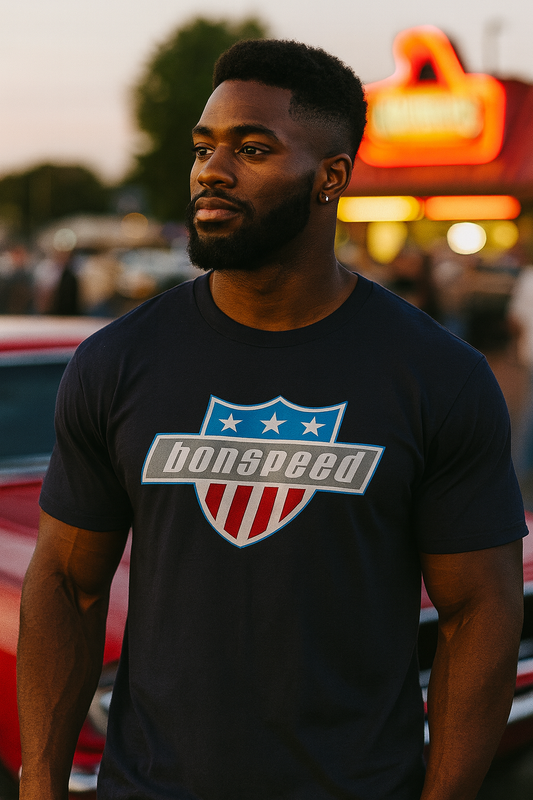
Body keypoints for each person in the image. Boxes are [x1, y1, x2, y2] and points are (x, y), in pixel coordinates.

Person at [17, 39, 526, 800]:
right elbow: (65, 583)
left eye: (252, 149)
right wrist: (40, 786)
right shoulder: (117, 360)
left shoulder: (436, 375)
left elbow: (477, 610)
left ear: (331, 177)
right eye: (204, 148)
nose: (211, 171)